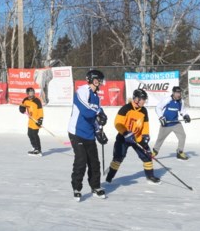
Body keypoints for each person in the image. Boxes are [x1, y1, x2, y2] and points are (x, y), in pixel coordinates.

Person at [67, 69, 108, 201]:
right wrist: (99, 113)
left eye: (100, 80)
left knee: (94, 162)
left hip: (89, 134)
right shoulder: (82, 91)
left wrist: (99, 131)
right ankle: (77, 187)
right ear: (91, 80)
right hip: (76, 132)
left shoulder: (97, 97)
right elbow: (86, 111)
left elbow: (96, 117)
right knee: (81, 160)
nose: (99, 82)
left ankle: (95, 186)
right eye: (97, 79)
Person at [105, 89, 160, 185]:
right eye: (143, 99)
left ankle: (150, 177)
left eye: (145, 99)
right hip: (123, 137)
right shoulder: (126, 108)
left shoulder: (144, 111)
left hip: (137, 139)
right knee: (118, 158)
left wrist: (145, 136)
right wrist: (125, 133)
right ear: (137, 99)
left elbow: (145, 125)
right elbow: (117, 123)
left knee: (147, 156)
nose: (144, 101)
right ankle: (110, 176)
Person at [152, 86, 191, 160]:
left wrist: (186, 116)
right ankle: (155, 151)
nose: (178, 94)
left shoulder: (180, 101)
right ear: (173, 93)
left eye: (179, 93)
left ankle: (180, 152)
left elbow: (182, 110)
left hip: (176, 123)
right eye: (176, 93)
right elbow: (158, 108)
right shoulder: (168, 100)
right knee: (160, 138)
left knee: (182, 136)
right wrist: (161, 117)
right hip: (166, 123)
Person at [18, 87, 44, 156]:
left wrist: (40, 120)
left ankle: (38, 150)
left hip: (36, 120)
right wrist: (21, 109)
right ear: (27, 93)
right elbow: (22, 106)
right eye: (30, 92)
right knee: (29, 134)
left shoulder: (37, 101)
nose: (32, 93)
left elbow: (40, 111)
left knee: (35, 134)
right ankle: (35, 147)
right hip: (30, 120)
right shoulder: (25, 100)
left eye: (33, 92)